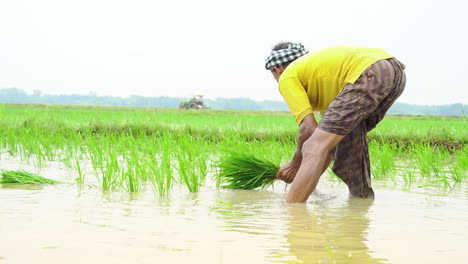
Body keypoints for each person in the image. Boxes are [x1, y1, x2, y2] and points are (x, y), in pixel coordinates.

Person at [266, 42, 406, 203]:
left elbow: (308, 130)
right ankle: (361, 201)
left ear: (278, 69)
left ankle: (292, 214)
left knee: (312, 145)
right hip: (395, 74)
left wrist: (294, 164)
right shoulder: (324, 77)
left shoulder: (287, 76)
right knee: (347, 143)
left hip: (369, 72)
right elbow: (326, 147)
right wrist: (304, 179)